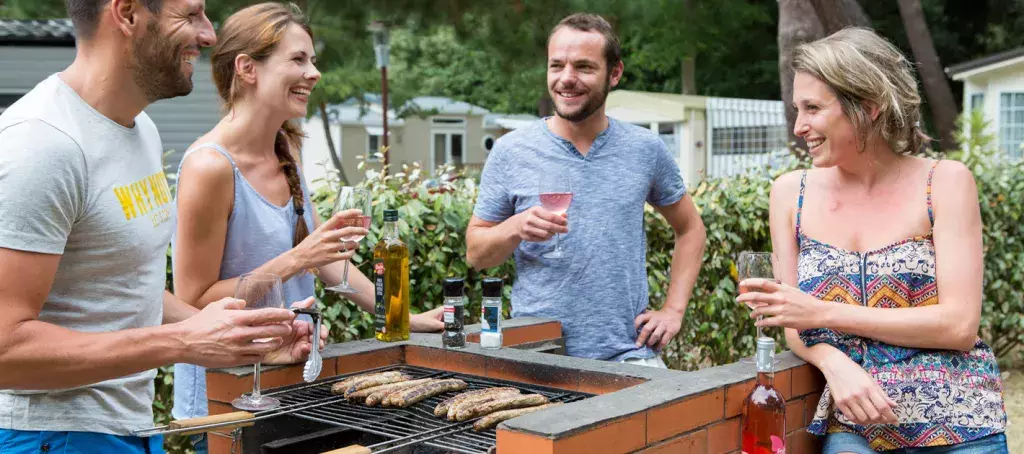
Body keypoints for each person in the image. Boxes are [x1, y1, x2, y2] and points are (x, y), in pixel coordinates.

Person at [0, 0, 326, 452]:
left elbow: (125, 287)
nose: (209, 35)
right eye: (190, 16)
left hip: (130, 427)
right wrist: (181, 341)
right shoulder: (43, 142)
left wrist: (247, 341)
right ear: (128, 13)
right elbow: (5, 348)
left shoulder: (141, 130)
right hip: (52, 434)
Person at [169, 5, 443, 450]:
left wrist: (399, 316)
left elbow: (326, 262)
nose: (314, 73)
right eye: (298, 59)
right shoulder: (209, 168)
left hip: (291, 379)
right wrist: (299, 258)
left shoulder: (285, 151)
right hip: (228, 398)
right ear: (247, 68)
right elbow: (193, 300)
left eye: (312, 60)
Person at [738, 28, 1008, 452]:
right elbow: (793, 321)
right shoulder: (790, 193)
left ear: (867, 106)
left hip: (961, 424)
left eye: (813, 108)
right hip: (855, 427)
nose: (799, 126)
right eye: (797, 109)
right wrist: (832, 361)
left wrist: (824, 313)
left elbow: (958, 326)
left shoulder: (945, 183)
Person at [466, 13, 706, 367]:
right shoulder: (511, 151)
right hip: (536, 355)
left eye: (583, 67)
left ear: (615, 73)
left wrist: (673, 310)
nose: (566, 78)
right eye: (556, 65)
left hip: (628, 354)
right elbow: (476, 254)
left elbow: (691, 229)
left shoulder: (645, 149)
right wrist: (515, 227)